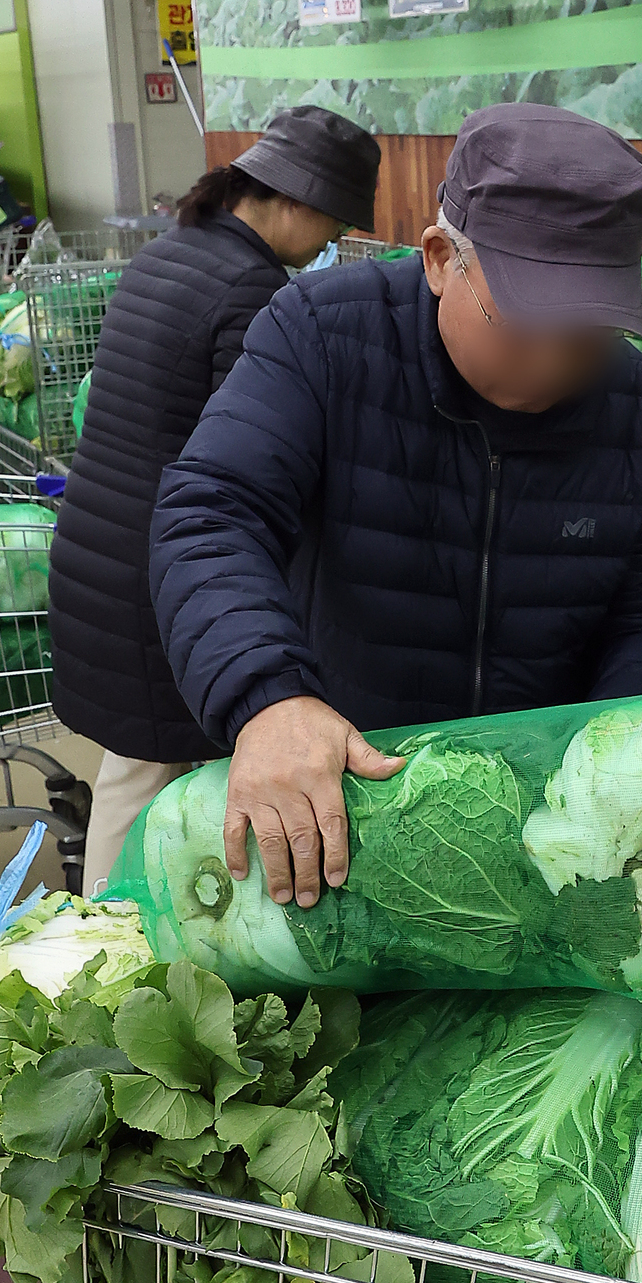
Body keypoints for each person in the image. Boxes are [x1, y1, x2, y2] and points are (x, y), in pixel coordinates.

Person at [150, 103, 642, 918]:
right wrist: (270, 697)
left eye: (587, 337)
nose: (552, 366)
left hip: (541, 836)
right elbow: (211, 513)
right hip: (342, 811)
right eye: (523, 325)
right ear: (442, 259)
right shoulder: (321, 336)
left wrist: (608, 770)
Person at [48, 105, 382, 891]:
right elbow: (251, 461)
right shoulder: (250, 290)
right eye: (331, 222)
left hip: (101, 551)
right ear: (294, 201)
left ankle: (120, 937)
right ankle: (104, 950)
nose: (329, 242)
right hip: (154, 579)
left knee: (135, 766)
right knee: (143, 775)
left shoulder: (171, 254)